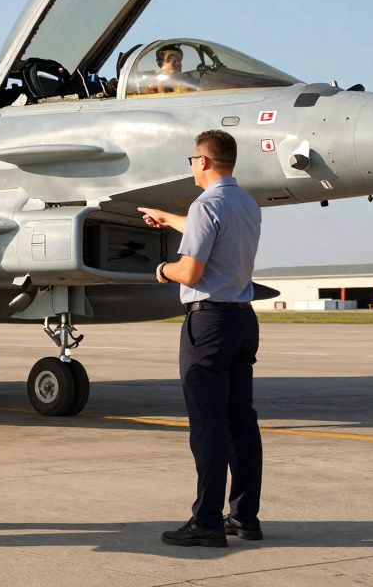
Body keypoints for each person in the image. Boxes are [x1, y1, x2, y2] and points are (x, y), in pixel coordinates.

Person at [139, 129, 263, 548]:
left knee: (208, 426)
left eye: (192, 159)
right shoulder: (245, 203)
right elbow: (209, 226)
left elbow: (190, 272)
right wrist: (167, 218)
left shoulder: (205, 205)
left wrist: (162, 269)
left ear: (204, 161)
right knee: (241, 422)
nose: (192, 166)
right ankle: (244, 517)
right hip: (243, 320)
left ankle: (206, 521)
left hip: (208, 325)